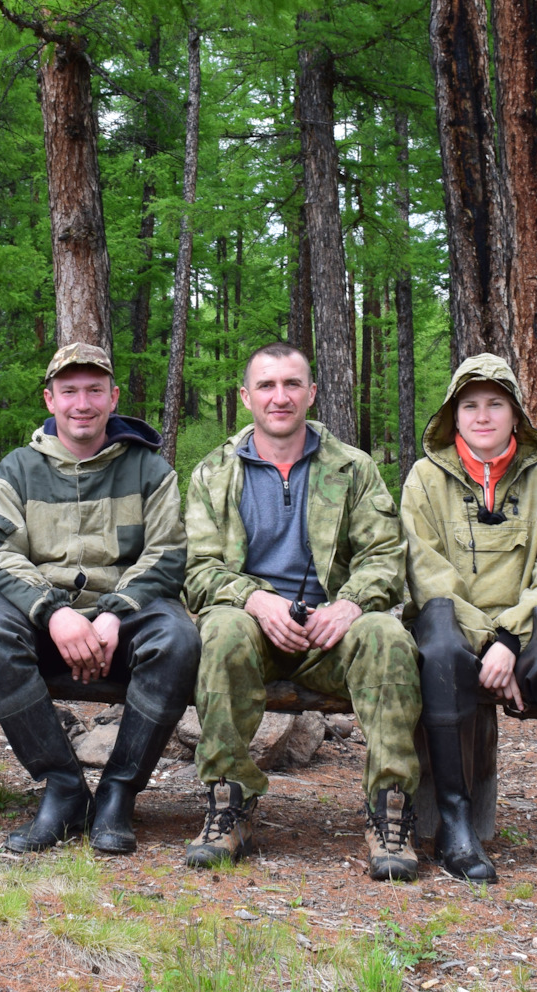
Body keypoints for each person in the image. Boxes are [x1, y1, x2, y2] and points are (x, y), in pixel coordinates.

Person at [181, 341, 423, 880]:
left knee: (385, 633)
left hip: (332, 638)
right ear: (246, 396)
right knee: (219, 627)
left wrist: (350, 603)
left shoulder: (351, 469)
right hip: (253, 634)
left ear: (311, 394)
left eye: (292, 384)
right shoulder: (214, 474)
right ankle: (229, 802)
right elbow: (197, 570)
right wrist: (254, 599)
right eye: (266, 385)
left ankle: (390, 810)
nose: (280, 396)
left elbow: (385, 556)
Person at [0, 343, 199, 855]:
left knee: (177, 638)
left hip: (124, 613)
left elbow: (168, 553)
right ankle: (64, 787)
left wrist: (114, 614)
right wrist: (54, 612)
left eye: (94, 390)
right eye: (69, 391)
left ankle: (118, 791)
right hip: (42, 613)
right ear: (50, 400)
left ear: (113, 398)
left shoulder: (149, 468)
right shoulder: (18, 468)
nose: (82, 403)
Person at [402, 354, 537, 899]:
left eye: (496, 404)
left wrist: (508, 642)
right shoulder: (425, 480)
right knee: (440, 655)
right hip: (454, 624)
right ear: (454, 415)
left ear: (516, 413)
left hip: (529, 625)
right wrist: (486, 641)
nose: (483, 415)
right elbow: (427, 574)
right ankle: (457, 828)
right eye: (470, 405)